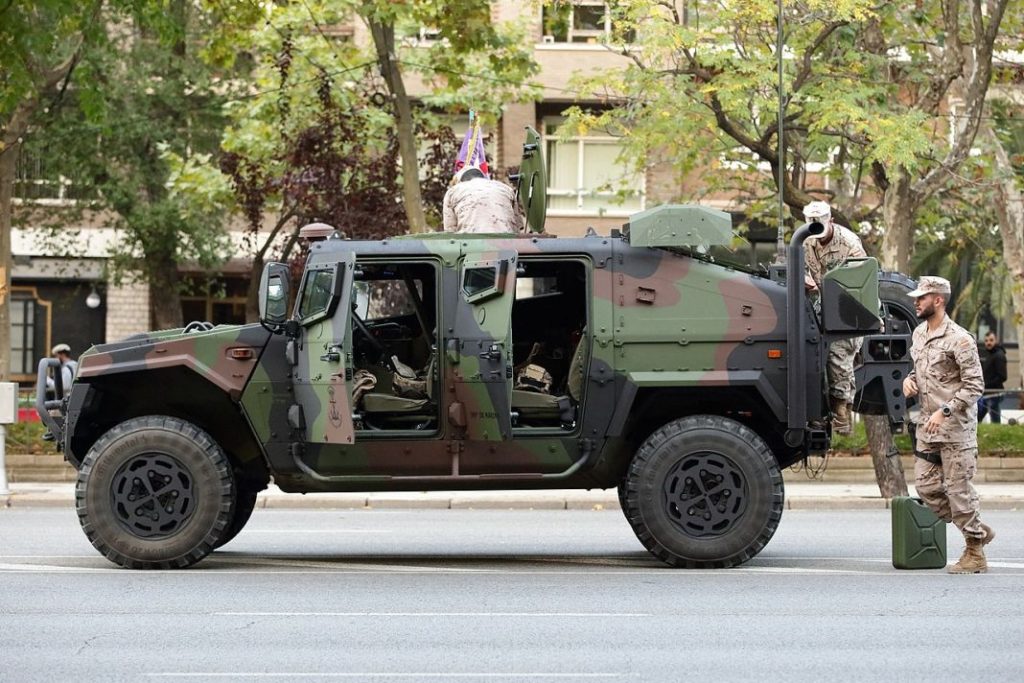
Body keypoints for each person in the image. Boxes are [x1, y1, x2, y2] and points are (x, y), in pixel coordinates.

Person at [902, 276, 994, 574]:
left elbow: (974, 385)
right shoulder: (918, 334)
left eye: (922, 297)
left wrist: (945, 410)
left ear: (938, 300)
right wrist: (909, 381)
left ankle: (975, 552)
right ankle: (976, 528)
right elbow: (921, 370)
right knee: (926, 487)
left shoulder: (960, 339)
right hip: (927, 429)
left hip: (956, 430)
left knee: (958, 490)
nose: (916, 301)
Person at [802, 200, 866, 435]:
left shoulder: (849, 242)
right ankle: (818, 412)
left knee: (839, 354)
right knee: (809, 353)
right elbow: (799, 268)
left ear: (831, 221)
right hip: (819, 306)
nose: (816, 227)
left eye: (820, 222)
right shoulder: (806, 242)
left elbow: (861, 279)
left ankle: (842, 411)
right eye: (812, 223)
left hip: (849, 309)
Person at [442, 166, 523, 234]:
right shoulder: (506, 188)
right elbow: (517, 227)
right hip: (506, 242)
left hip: (469, 244)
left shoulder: (453, 191)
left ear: (461, 181)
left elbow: (450, 232)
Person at [977, 330, 1007, 424]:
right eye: (986, 341)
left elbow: (1002, 376)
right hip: (986, 393)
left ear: (996, 340)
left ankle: (998, 435)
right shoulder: (989, 354)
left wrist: (986, 385)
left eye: (991, 340)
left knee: (994, 419)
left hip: (994, 393)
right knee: (978, 418)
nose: (988, 343)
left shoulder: (999, 355)